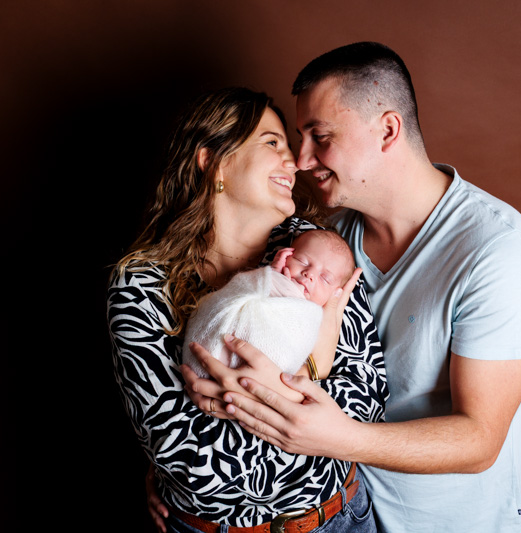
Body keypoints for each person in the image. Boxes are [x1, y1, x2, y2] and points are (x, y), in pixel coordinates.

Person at [186, 43, 521, 532]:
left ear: (388, 130)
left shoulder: (498, 254)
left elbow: (480, 441)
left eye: (319, 136)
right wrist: (182, 480)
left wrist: (337, 438)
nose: (301, 161)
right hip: (344, 513)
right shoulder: (327, 243)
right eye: (298, 138)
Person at [107, 86, 388, 532]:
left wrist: (241, 396)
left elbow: (366, 404)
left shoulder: (315, 251)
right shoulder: (142, 282)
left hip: (337, 520)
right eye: (272, 143)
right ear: (213, 161)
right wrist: (306, 399)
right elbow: (193, 467)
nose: (294, 163)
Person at [183, 228, 356, 380]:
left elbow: (292, 350)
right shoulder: (271, 276)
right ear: (285, 257)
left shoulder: (315, 318)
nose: (309, 273)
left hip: (259, 377)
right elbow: (238, 294)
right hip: (207, 353)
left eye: (325, 278)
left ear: (336, 294)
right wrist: (272, 277)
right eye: (303, 261)